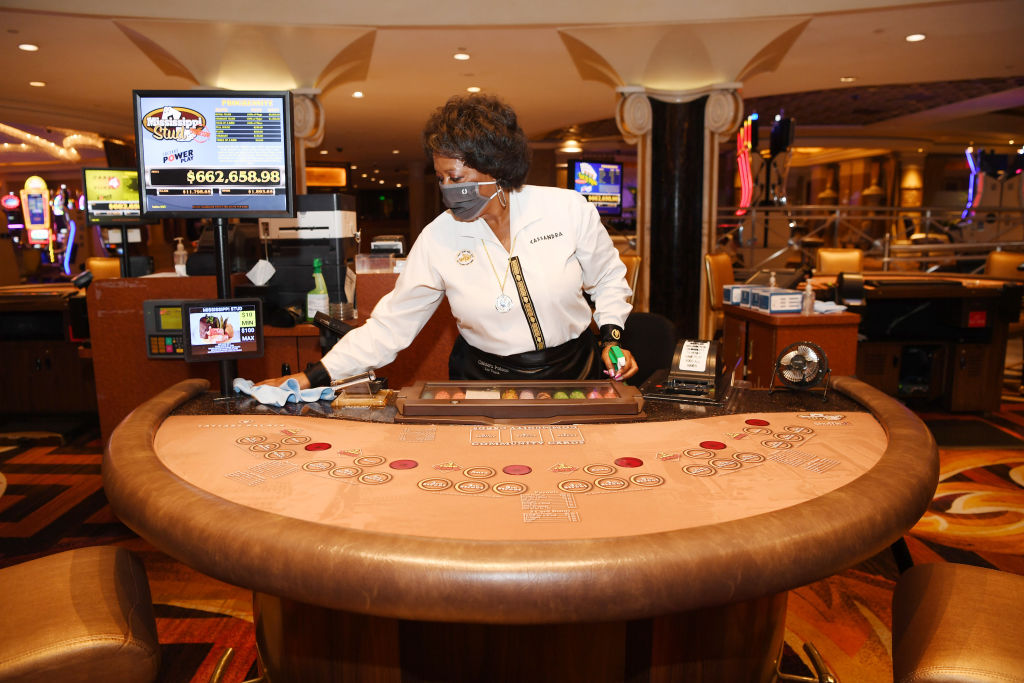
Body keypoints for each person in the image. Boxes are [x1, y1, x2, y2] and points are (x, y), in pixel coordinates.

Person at [263, 93, 637, 389]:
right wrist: (311, 376)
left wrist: (611, 337)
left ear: (497, 168)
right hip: (483, 380)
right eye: (441, 179)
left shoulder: (565, 209)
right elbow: (389, 327)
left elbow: (607, 280)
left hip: (573, 373)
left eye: (457, 179)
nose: (448, 190)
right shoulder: (439, 237)